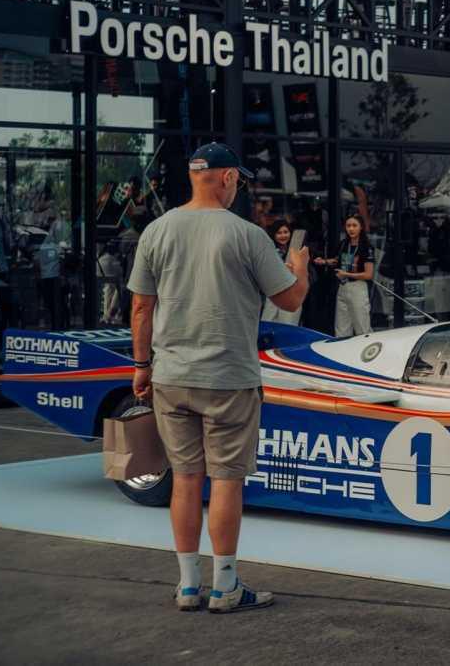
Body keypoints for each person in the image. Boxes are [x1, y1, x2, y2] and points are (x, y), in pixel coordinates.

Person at [128, 142, 310, 613]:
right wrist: (301, 271)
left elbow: (141, 306)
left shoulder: (157, 230)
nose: (239, 188)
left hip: (171, 374)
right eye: (239, 180)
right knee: (226, 479)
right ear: (227, 178)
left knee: (185, 478)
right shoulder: (247, 234)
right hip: (228, 376)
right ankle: (225, 585)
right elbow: (289, 301)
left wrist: (141, 365)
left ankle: (189, 585)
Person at [315, 214, 375, 336]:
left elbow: (368, 275)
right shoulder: (344, 244)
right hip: (343, 286)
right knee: (341, 328)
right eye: (348, 226)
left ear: (361, 227)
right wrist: (324, 261)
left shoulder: (366, 247)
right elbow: (338, 261)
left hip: (358, 287)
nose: (351, 229)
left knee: (362, 327)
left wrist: (346, 274)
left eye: (354, 225)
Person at [261, 220, 304, 325]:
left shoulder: (298, 250)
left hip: (291, 295)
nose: (283, 235)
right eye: (279, 233)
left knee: (288, 327)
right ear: (274, 235)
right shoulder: (268, 250)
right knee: (268, 326)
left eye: (286, 232)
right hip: (272, 295)